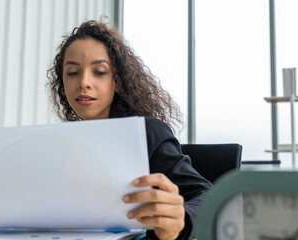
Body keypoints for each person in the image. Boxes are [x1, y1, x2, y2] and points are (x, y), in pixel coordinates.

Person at [47, 20, 212, 240]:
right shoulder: (63, 144)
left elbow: (208, 196)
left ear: (118, 80)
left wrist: (181, 218)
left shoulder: (148, 133)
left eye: (99, 72)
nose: (84, 82)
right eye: (73, 72)